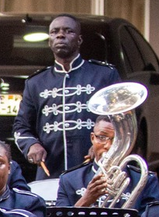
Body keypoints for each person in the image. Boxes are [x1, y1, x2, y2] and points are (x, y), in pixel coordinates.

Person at [15, 14, 123, 177]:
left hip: (95, 168)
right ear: (49, 41)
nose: (60, 35)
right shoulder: (36, 82)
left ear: (79, 40)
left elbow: (121, 120)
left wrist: (102, 145)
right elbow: (21, 127)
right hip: (50, 171)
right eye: (54, 32)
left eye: (68, 31)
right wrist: (31, 145)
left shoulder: (104, 75)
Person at [54, 116, 157, 212]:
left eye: (117, 140)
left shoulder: (145, 180)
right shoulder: (68, 180)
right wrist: (86, 199)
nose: (108, 146)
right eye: (102, 137)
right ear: (92, 138)